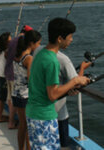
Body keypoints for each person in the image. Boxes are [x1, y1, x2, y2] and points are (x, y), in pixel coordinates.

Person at [26, 17, 90, 150]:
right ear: (60, 38)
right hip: (43, 116)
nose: (71, 40)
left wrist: (68, 87)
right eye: (70, 36)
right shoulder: (52, 61)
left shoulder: (40, 52)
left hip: (34, 113)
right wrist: (75, 80)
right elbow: (53, 95)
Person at [55, 51, 91, 149]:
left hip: (46, 112)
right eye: (70, 36)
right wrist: (82, 68)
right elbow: (77, 84)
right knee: (63, 145)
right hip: (59, 114)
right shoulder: (63, 59)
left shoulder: (40, 54)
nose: (71, 39)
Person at [12, 30, 41, 150]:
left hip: (16, 94)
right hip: (26, 97)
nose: (39, 46)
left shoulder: (16, 56)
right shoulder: (29, 59)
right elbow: (31, 80)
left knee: (22, 126)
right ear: (31, 43)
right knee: (29, 127)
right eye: (38, 43)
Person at [4, 25, 33, 129]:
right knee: (15, 103)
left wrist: (13, 60)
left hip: (9, 72)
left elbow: (6, 54)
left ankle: (11, 122)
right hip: (18, 76)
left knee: (11, 99)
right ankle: (12, 122)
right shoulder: (23, 42)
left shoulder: (12, 40)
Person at [0, 32, 11, 122]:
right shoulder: (6, 52)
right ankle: (0, 117)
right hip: (3, 77)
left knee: (1, 96)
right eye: (10, 40)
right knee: (2, 97)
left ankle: (0, 116)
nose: (11, 41)